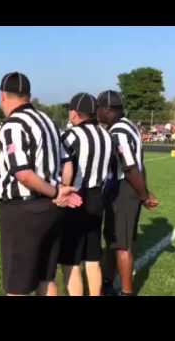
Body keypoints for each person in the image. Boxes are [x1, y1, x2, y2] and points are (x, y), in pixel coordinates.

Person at [0, 71, 82, 296]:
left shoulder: (13, 124)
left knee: (17, 287)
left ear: (3, 95)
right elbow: (67, 161)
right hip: (51, 209)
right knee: (46, 277)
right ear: (28, 95)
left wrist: (55, 191)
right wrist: (62, 189)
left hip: (23, 210)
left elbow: (23, 173)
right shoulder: (48, 121)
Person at [97, 90, 159, 296]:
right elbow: (139, 166)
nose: (96, 112)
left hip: (124, 190)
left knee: (122, 244)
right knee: (116, 238)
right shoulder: (128, 125)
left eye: (99, 108)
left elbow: (130, 167)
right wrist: (144, 192)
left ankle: (126, 291)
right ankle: (107, 281)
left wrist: (144, 196)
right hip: (129, 189)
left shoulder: (119, 132)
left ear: (108, 110)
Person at [58, 93, 113, 296]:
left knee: (71, 261)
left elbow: (63, 170)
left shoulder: (71, 136)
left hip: (76, 198)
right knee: (92, 258)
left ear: (75, 112)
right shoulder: (107, 135)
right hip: (98, 197)